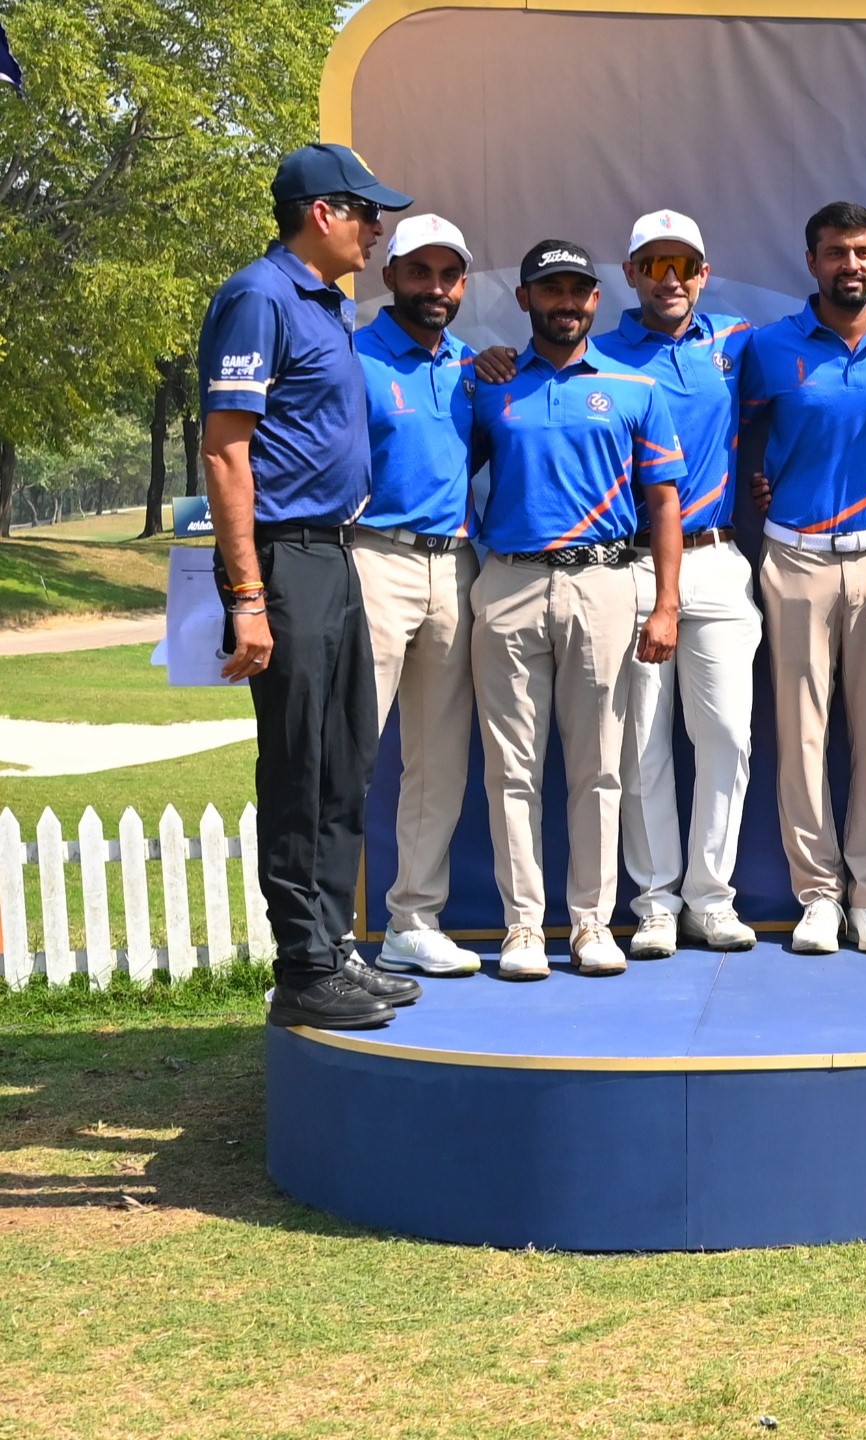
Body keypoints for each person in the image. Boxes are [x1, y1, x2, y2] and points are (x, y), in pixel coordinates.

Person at [483, 211, 763, 956]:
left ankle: (711, 897)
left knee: (727, 737)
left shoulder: (739, 341)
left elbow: (831, 361)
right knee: (636, 746)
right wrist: (486, 361)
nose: (671, 279)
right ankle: (656, 902)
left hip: (717, 556)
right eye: (654, 265)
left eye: (684, 265)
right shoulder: (596, 353)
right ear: (631, 275)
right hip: (623, 564)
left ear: (703, 274)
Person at [200, 143, 419, 1029]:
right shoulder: (260, 296)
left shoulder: (325, 304)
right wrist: (249, 596)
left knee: (344, 760)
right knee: (298, 765)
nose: (378, 228)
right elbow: (226, 450)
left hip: (334, 552)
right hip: (285, 558)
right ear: (322, 213)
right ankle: (301, 965)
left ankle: (333, 949)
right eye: (367, 213)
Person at [465, 240, 688, 980]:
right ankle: (524, 928)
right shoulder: (488, 385)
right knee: (512, 771)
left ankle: (592, 922)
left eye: (578, 290)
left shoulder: (633, 387)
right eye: (551, 289)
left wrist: (665, 605)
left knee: (599, 769)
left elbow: (663, 502)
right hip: (509, 583)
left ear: (596, 299)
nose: (566, 302)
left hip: (603, 583)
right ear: (525, 298)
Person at [741, 201, 866, 955]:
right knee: (801, 736)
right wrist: (757, 478)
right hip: (794, 557)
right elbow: (712, 423)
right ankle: (818, 897)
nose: (849, 265)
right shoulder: (770, 346)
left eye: (862, 252)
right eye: (835, 252)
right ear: (812, 261)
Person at [348, 214, 484, 978]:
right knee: (350, 752)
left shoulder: (473, 366)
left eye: (448, 275)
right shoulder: (353, 357)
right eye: (420, 272)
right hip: (374, 559)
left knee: (438, 758)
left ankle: (413, 921)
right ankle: (326, 932)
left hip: (455, 567)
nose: (436, 287)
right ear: (390, 277)